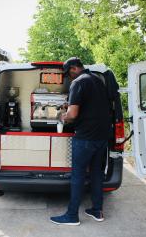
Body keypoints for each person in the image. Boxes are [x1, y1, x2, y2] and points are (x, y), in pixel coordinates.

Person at [50, 57, 111, 226]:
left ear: (74, 68)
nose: (69, 77)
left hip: (85, 137)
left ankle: (71, 215)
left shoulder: (78, 82)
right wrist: (69, 107)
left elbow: (73, 114)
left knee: (77, 175)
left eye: (68, 73)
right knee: (96, 174)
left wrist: (63, 116)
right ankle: (97, 211)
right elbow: (92, 106)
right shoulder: (98, 80)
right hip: (101, 137)